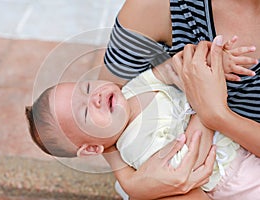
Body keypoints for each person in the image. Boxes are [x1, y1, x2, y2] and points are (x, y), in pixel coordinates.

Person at [25, 38, 259, 199]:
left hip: (240, 145)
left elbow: (168, 71)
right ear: (93, 148)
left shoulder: (132, 90)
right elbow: (191, 161)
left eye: (86, 88)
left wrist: (212, 64)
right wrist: (204, 105)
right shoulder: (133, 146)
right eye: (85, 112)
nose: (94, 97)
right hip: (235, 181)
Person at [99, 0, 260, 198]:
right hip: (172, 176)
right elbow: (98, 118)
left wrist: (216, 115)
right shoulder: (156, 6)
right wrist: (131, 181)